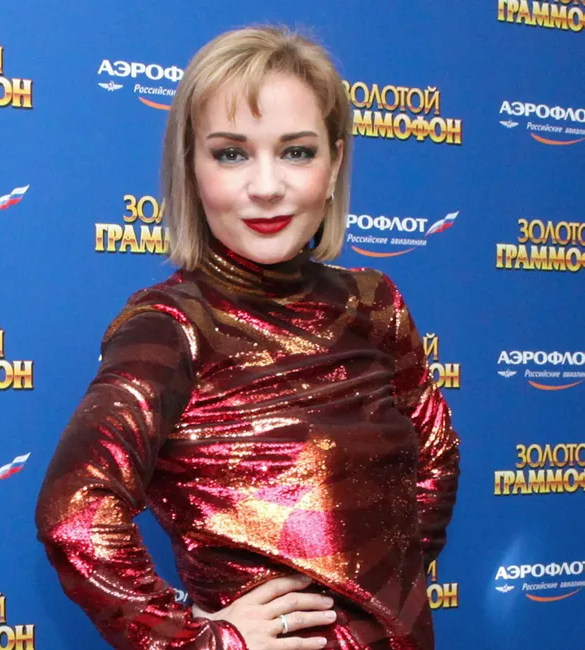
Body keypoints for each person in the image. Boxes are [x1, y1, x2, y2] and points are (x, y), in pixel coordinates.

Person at [35, 25, 459, 650]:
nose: (266, 186)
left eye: (297, 152)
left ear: (335, 164)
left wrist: (375, 603)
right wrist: (202, 641)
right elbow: (75, 515)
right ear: (191, 168)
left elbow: (435, 459)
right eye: (232, 154)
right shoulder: (170, 327)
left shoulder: (375, 303)